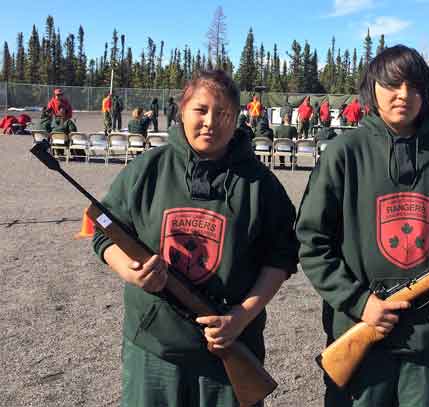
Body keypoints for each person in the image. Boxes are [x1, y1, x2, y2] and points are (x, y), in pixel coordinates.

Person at [296, 45, 429, 407]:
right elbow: (311, 242)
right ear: (371, 88)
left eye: (414, 86)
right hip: (359, 325)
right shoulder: (343, 153)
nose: (404, 95)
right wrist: (360, 303)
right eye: (392, 84)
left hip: (426, 332)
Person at [92, 69, 298, 407]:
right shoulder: (146, 170)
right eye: (200, 110)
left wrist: (240, 317)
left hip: (228, 347)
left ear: (237, 120)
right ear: (182, 111)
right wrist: (129, 270)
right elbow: (104, 233)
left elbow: (281, 259)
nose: (210, 122)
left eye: (223, 113)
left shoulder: (262, 186)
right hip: (154, 349)